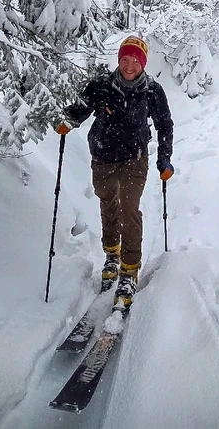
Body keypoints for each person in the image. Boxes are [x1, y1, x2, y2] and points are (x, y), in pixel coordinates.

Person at [55, 35, 174, 309]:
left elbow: (164, 124)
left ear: (142, 63)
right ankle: (112, 254)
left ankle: (129, 270)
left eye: (135, 60)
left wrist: (164, 160)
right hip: (103, 155)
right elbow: (81, 109)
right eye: (124, 59)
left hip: (135, 157)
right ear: (118, 59)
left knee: (129, 209)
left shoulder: (152, 91)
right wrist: (68, 121)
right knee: (108, 204)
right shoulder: (102, 85)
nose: (129, 65)